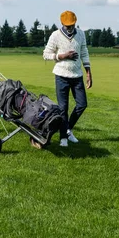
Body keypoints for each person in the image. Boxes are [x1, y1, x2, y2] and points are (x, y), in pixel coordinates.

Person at [42, 10, 92, 147]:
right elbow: (46, 54)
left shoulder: (81, 34)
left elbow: (84, 52)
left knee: (82, 104)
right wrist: (62, 56)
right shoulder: (55, 35)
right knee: (63, 108)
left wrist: (88, 73)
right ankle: (63, 137)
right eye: (67, 26)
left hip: (77, 76)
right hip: (61, 76)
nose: (70, 28)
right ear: (62, 23)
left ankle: (67, 129)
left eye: (72, 25)